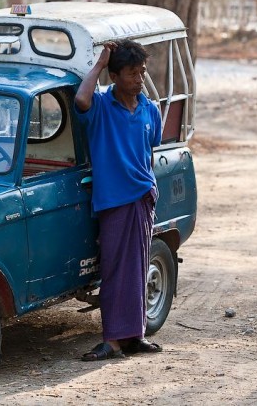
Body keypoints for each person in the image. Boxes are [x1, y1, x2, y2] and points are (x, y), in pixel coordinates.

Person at [74, 39, 163, 361]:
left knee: (137, 268)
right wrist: (99, 63)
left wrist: (148, 187)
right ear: (114, 76)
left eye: (142, 72)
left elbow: (149, 151)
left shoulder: (150, 109)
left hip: (141, 197)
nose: (139, 79)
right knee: (113, 270)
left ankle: (134, 336)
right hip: (113, 200)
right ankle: (112, 340)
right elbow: (81, 98)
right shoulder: (100, 106)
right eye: (131, 73)